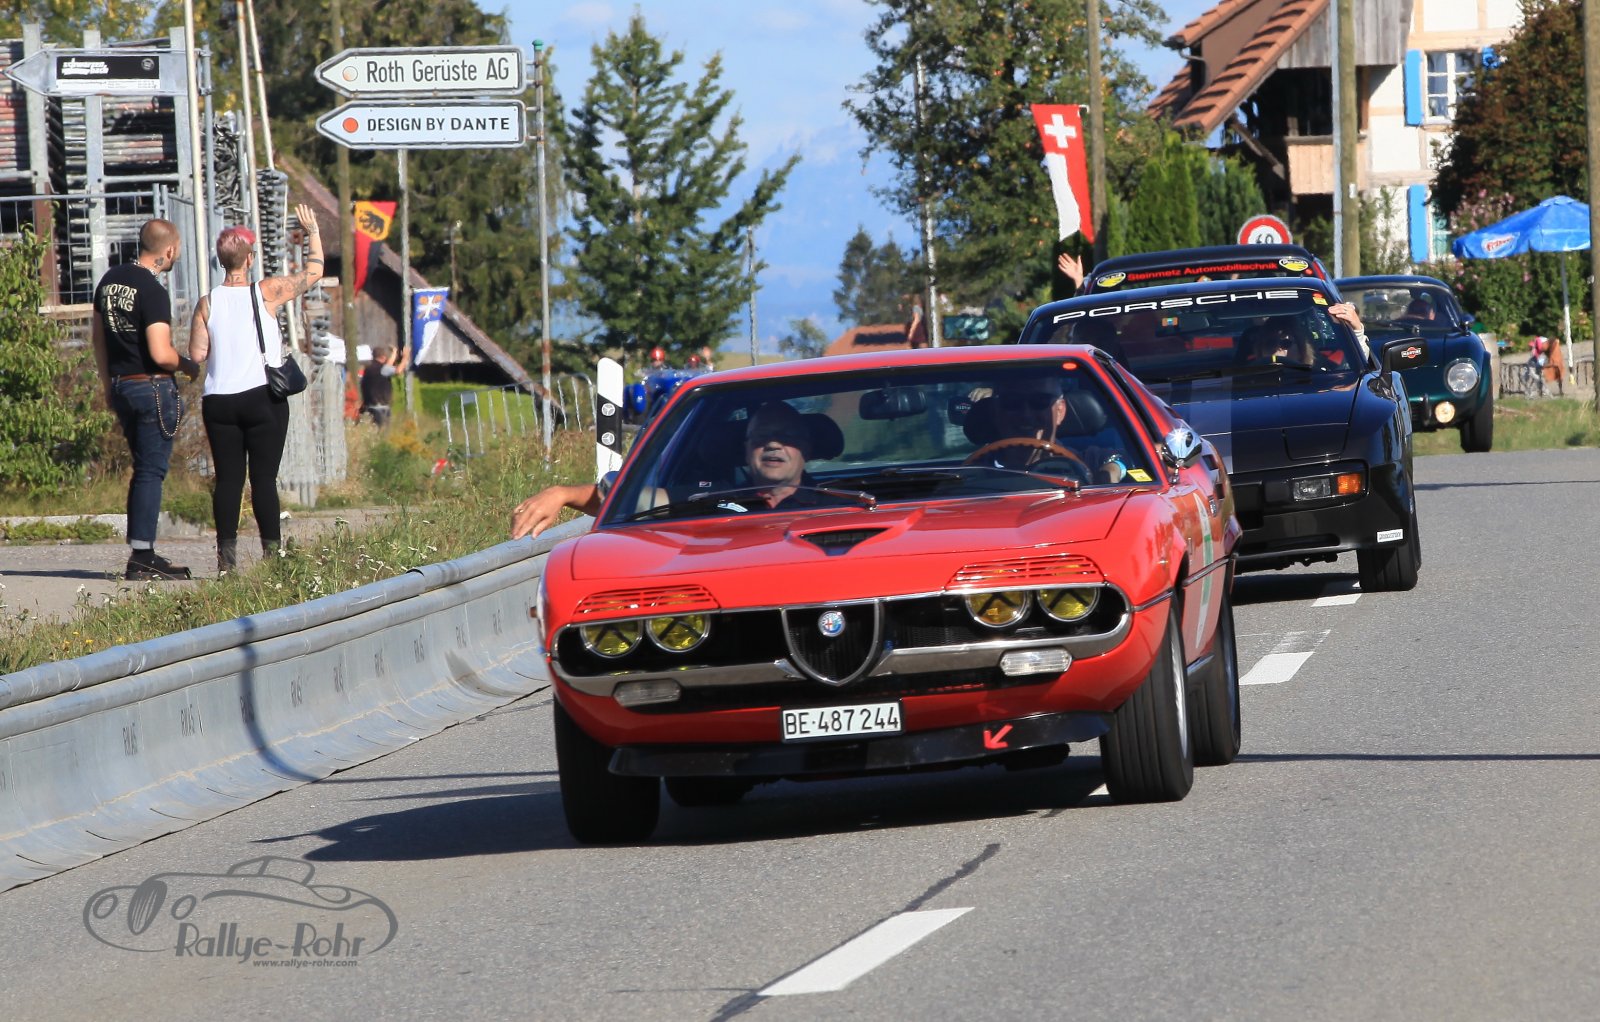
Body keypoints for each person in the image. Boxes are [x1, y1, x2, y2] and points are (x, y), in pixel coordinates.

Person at [188, 204, 325, 574]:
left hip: (219, 401)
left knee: (228, 480)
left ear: (221, 261)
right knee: (263, 479)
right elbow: (314, 272)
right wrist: (312, 232)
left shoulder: (206, 303)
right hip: (262, 397)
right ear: (249, 260)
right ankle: (272, 558)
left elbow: (197, 353)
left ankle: (226, 563)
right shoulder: (266, 291)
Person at [509, 401, 815, 540]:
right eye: (761, 437)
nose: (773, 444)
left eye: (786, 436)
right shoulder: (712, 499)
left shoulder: (840, 500)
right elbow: (629, 502)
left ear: (807, 448)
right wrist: (561, 494)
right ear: (746, 451)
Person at [91, 217, 201, 581]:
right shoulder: (152, 290)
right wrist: (187, 365)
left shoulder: (109, 281)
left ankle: (142, 552)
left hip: (122, 384)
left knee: (142, 470)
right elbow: (160, 353)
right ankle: (142, 556)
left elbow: (98, 339)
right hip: (151, 387)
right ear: (168, 250)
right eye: (177, 250)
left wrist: (108, 385)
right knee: (151, 472)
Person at [976, 378, 1127, 483]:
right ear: (995, 412)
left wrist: (1113, 469)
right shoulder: (971, 473)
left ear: (1060, 411)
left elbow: (1128, 458)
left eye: (1040, 402)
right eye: (1012, 402)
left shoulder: (1084, 464)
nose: (1026, 415)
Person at [359, 345, 397, 426]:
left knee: (373, 429)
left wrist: (394, 353)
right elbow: (398, 370)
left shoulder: (368, 369)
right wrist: (405, 358)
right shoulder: (382, 369)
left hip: (369, 405)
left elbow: (387, 366)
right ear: (383, 357)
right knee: (383, 430)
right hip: (381, 407)